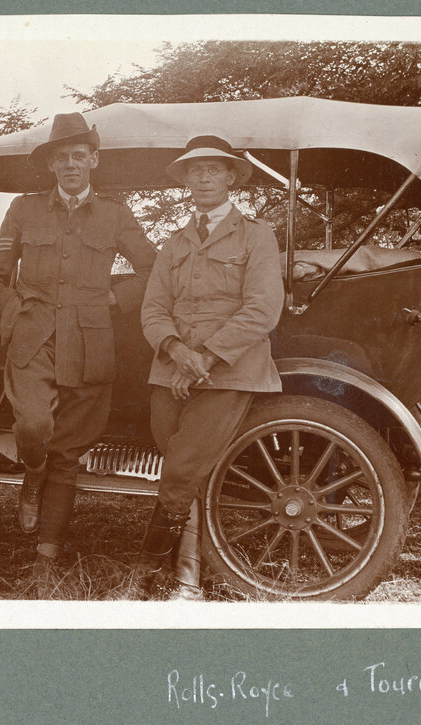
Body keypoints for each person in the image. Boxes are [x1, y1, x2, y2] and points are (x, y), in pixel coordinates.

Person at [0, 112, 157, 595]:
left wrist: (116, 299)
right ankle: (31, 476)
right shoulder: (23, 210)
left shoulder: (116, 214)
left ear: (93, 161)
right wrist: (15, 310)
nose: (72, 165)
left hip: (91, 347)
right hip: (33, 342)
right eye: (63, 158)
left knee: (68, 454)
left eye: (80, 156)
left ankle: (45, 558)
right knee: (34, 428)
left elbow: (153, 269)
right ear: (52, 165)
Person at [135, 136, 284, 598]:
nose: (201, 178)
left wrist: (207, 357)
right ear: (185, 181)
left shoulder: (257, 235)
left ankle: (150, 568)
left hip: (230, 370)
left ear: (230, 177)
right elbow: (153, 310)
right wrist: (178, 351)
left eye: (212, 170)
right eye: (193, 171)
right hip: (172, 370)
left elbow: (262, 309)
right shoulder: (174, 242)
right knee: (178, 455)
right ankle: (195, 562)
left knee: (181, 467)